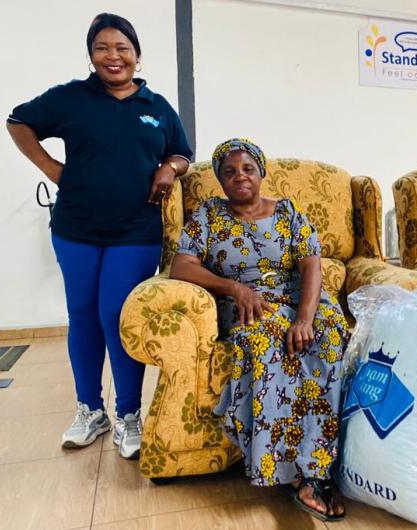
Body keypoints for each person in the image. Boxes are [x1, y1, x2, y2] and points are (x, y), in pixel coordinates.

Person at [6, 13, 192, 459]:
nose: (113, 56)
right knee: (84, 315)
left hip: (135, 230)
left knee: (117, 315)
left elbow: (183, 151)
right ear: (91, 56)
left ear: (137, 55)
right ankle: (90, 410)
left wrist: (170, 167)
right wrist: (52, 169)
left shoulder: (156, 106)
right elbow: (18, 122)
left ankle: (128, 414)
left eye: (122, 48)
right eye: (102, 48)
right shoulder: (71, 98)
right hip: (77, 229)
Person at [170, 138, 348, 521]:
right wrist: (234, 288)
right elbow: (180, 267)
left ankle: (321, 467)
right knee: (267, 342)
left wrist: (304, 318)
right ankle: (295, 473)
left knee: (330, 337)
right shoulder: (208, 215)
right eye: (230, 172)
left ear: (261, 173)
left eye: (248, 169)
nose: (240, 177)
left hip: (299, 298)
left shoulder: (288, 212)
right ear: (220, 180)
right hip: (249, 303)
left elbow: (311, 264)